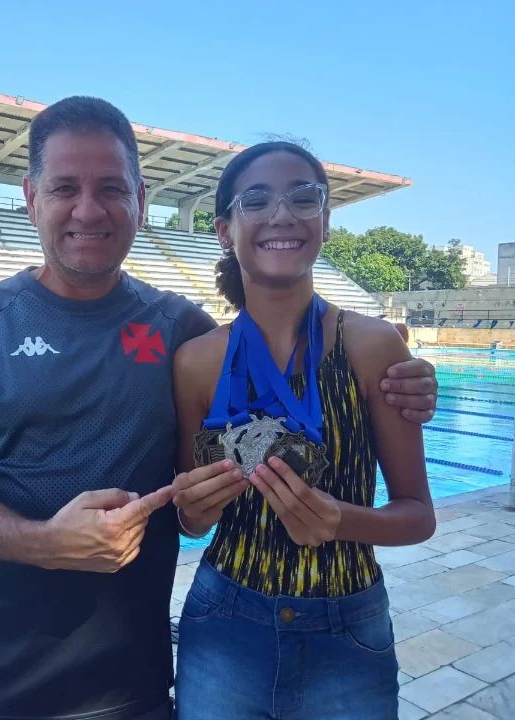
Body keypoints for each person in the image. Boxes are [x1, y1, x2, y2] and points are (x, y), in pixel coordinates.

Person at [0, 98, 438, 720]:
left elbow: (196, 492)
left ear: (141, 201)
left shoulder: (182, 331)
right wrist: (47, 543)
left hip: (135, 683)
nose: (88, 210)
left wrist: (414, 380)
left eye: (112, 188)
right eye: (65, 188)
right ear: (31, 197)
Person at [171, 142, 435, 720]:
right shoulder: (197, 361)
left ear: (325, 222)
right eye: (256, 200)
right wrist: (194, 509)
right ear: (225, 231)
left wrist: (341, 520)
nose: (282, 214)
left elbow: (418, 515)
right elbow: (191, 521)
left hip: (348, 629)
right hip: (223, 624)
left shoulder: (372, 347)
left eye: (303, 198)